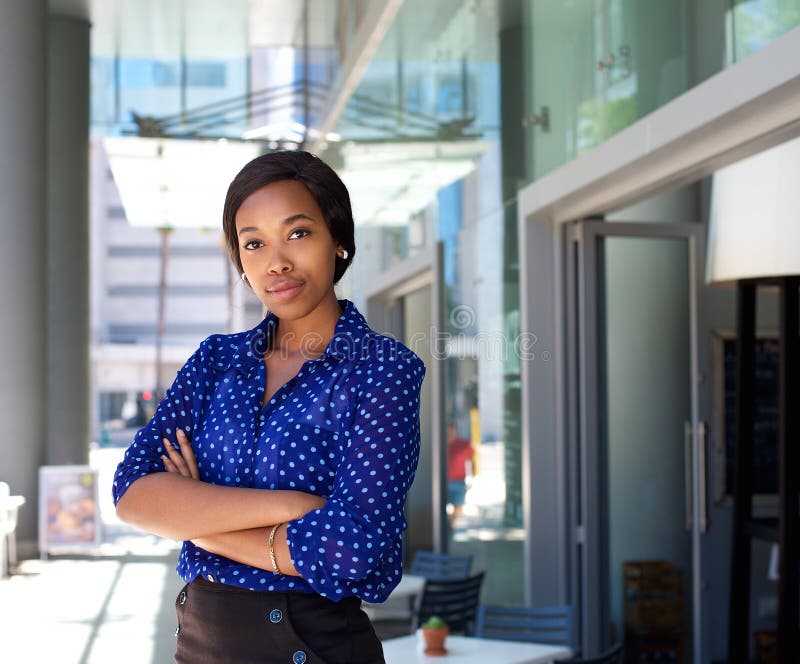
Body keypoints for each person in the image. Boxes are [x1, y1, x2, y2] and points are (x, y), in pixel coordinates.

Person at [112, 150, 426, 664]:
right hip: (200, 644)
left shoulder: (382, 370)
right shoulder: (216, 361)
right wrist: (293, 506)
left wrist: (192, 512)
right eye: (253, 243)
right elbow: (132, 492)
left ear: (339, 241)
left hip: (315, 644)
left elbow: (353, 547)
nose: (275, 262)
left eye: (298, 233)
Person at [446, 421, 473, 526]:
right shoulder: (439, 446)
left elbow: (471, 461)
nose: (450, 432)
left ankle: (451, 526)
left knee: (458, 507)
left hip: (459, 481)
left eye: (452, 430)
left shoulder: (464, 445)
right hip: (444, 482)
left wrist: (471, 478)